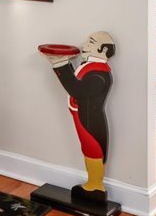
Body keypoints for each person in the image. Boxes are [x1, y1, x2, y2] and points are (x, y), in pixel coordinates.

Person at [42, 31, 116, 204]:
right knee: (88, 149)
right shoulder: (93, 69)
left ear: (102, 49)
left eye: (90, 42)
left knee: (93, 149)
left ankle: (95, 185)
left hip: (89, 120)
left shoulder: (99, 75)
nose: (85, 45)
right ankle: (92, 183)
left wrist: (60, 64)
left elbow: (77, 90)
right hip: (83, 117)